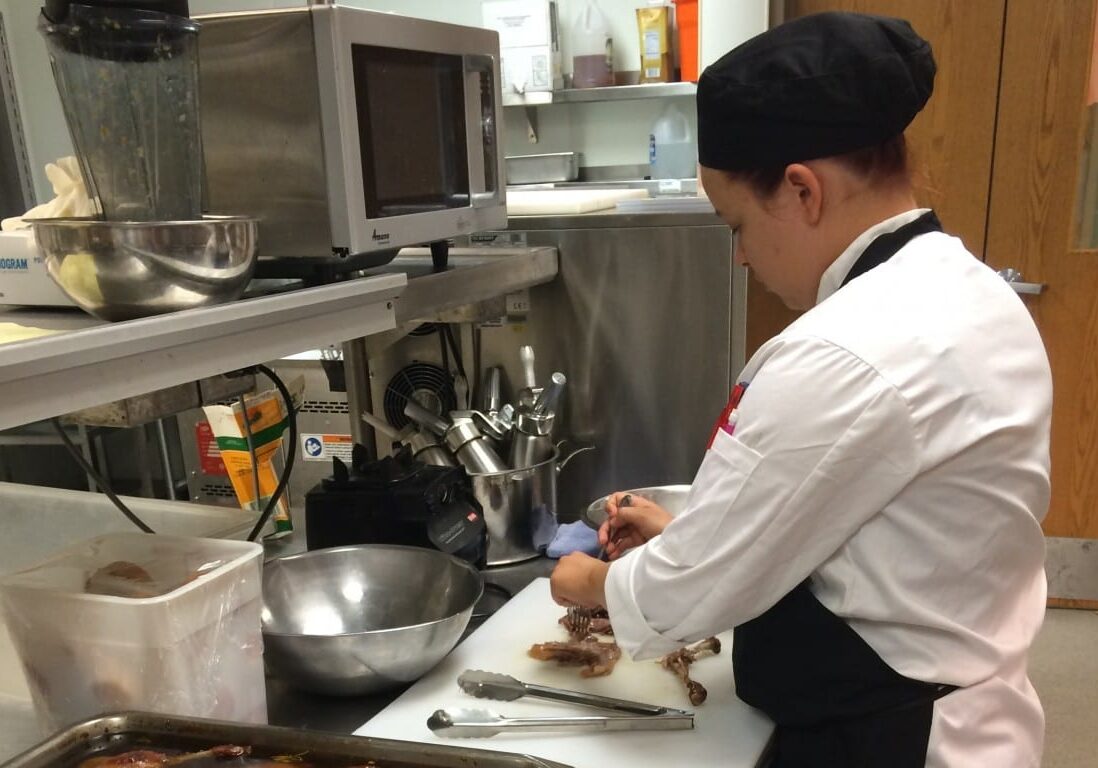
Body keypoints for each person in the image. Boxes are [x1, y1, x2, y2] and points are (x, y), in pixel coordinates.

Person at [549, 11, 1051, 768]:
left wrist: (584, 580)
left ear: (801, 190)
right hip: (969, 704)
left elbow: (678, 601)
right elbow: (863, 511)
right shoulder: (968, 288)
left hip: (890, 742)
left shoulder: (844, 351)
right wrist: (690, 530)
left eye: (736, 225)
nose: (744, 257)